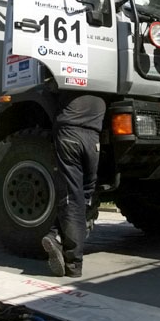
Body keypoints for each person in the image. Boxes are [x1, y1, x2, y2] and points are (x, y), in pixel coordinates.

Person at [42, 92, 106, 278]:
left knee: (72, 196)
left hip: (69, 132)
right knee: (85, 195)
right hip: (93, 138)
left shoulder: (70, 80)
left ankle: (72, 261)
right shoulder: (104, 82)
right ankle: (56, 237)